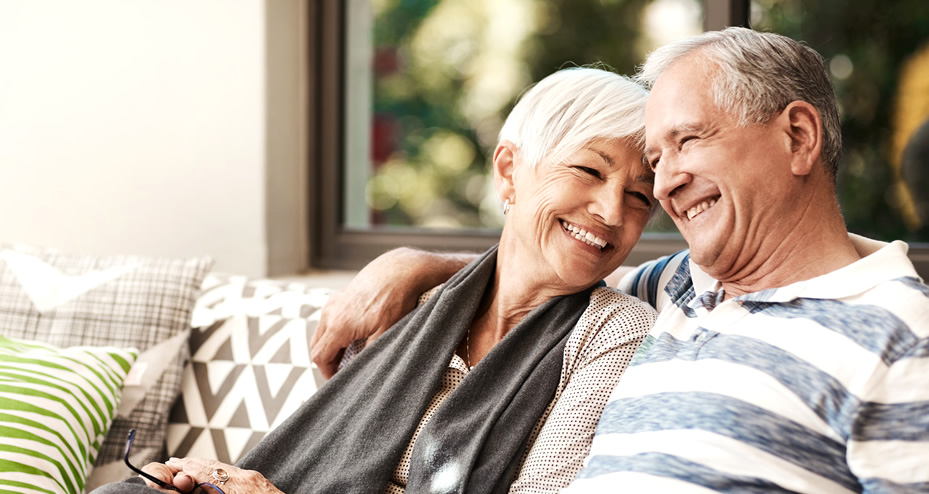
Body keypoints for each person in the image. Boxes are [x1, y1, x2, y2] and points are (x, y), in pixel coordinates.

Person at [312, 27, 929, 492]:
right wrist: (413, 262)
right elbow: (545, 264)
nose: (662, 188)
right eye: (657, 163)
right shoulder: (676, 287)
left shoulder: (902, 336)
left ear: (797, 137)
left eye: (687, 141)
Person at [95, 66, 661, 494]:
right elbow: (323, 463)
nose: (613, 212)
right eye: (589, 170)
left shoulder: (615, 334)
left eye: (640, 196)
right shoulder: (412, 301)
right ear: (509, 171)